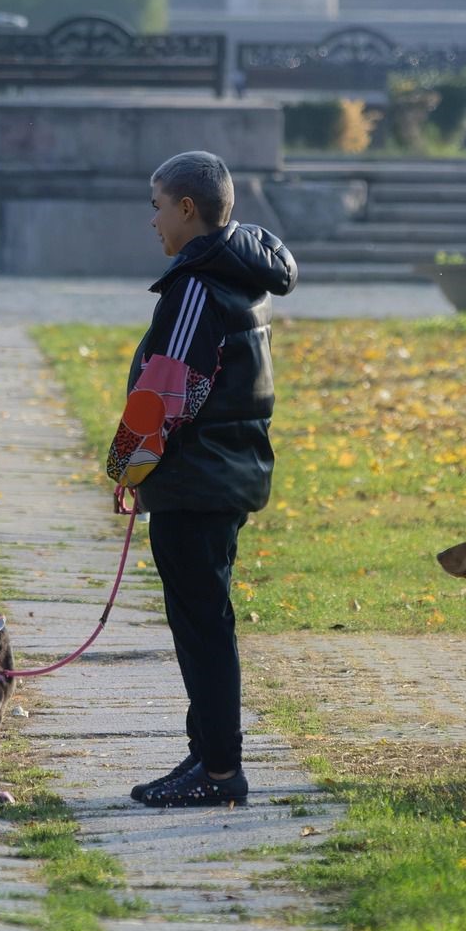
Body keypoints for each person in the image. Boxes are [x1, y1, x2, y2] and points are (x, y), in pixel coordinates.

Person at [105, 151, 297, 807]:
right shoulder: (239, 275)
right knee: (203, 622)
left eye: (157, 205)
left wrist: (127, 465)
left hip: (197, 481)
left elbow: (166, 391)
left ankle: (218, 770)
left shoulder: (195, 286)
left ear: (188, 209)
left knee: (203, 626)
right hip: (223, 474)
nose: (151, 220)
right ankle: (206, 759)